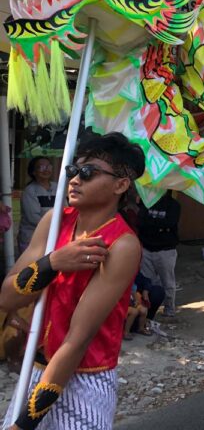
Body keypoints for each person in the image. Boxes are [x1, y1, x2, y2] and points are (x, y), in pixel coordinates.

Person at [0, 132, 145, 430]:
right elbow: (6, 297)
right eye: (73, 171)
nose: (76, 179)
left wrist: (25, 424)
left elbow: (77, 339)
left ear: (120, 184)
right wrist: (52, 263)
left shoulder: (122, 245)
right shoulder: (54, 222)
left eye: (88, 172)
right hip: (37, 368)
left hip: (85, 380)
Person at [137, 190, 181, 318]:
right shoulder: (147, 202)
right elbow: (141, 222)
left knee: (167, 282)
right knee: (147, 282)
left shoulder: (174, 205)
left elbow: (170, 223)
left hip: (166, 250)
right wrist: (158, 227)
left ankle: (169, 310)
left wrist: (152, 224)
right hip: (147, 248)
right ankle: (148, 312)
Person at [17, 157, 57, 254]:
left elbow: (65, 208)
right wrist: (55, 226)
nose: (46, 169)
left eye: (48, 166)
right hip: (32, 239)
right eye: (42, 167)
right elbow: (33, 218)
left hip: (53, 236)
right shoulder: (30, 190)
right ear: (33, 172)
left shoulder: (57, 187)